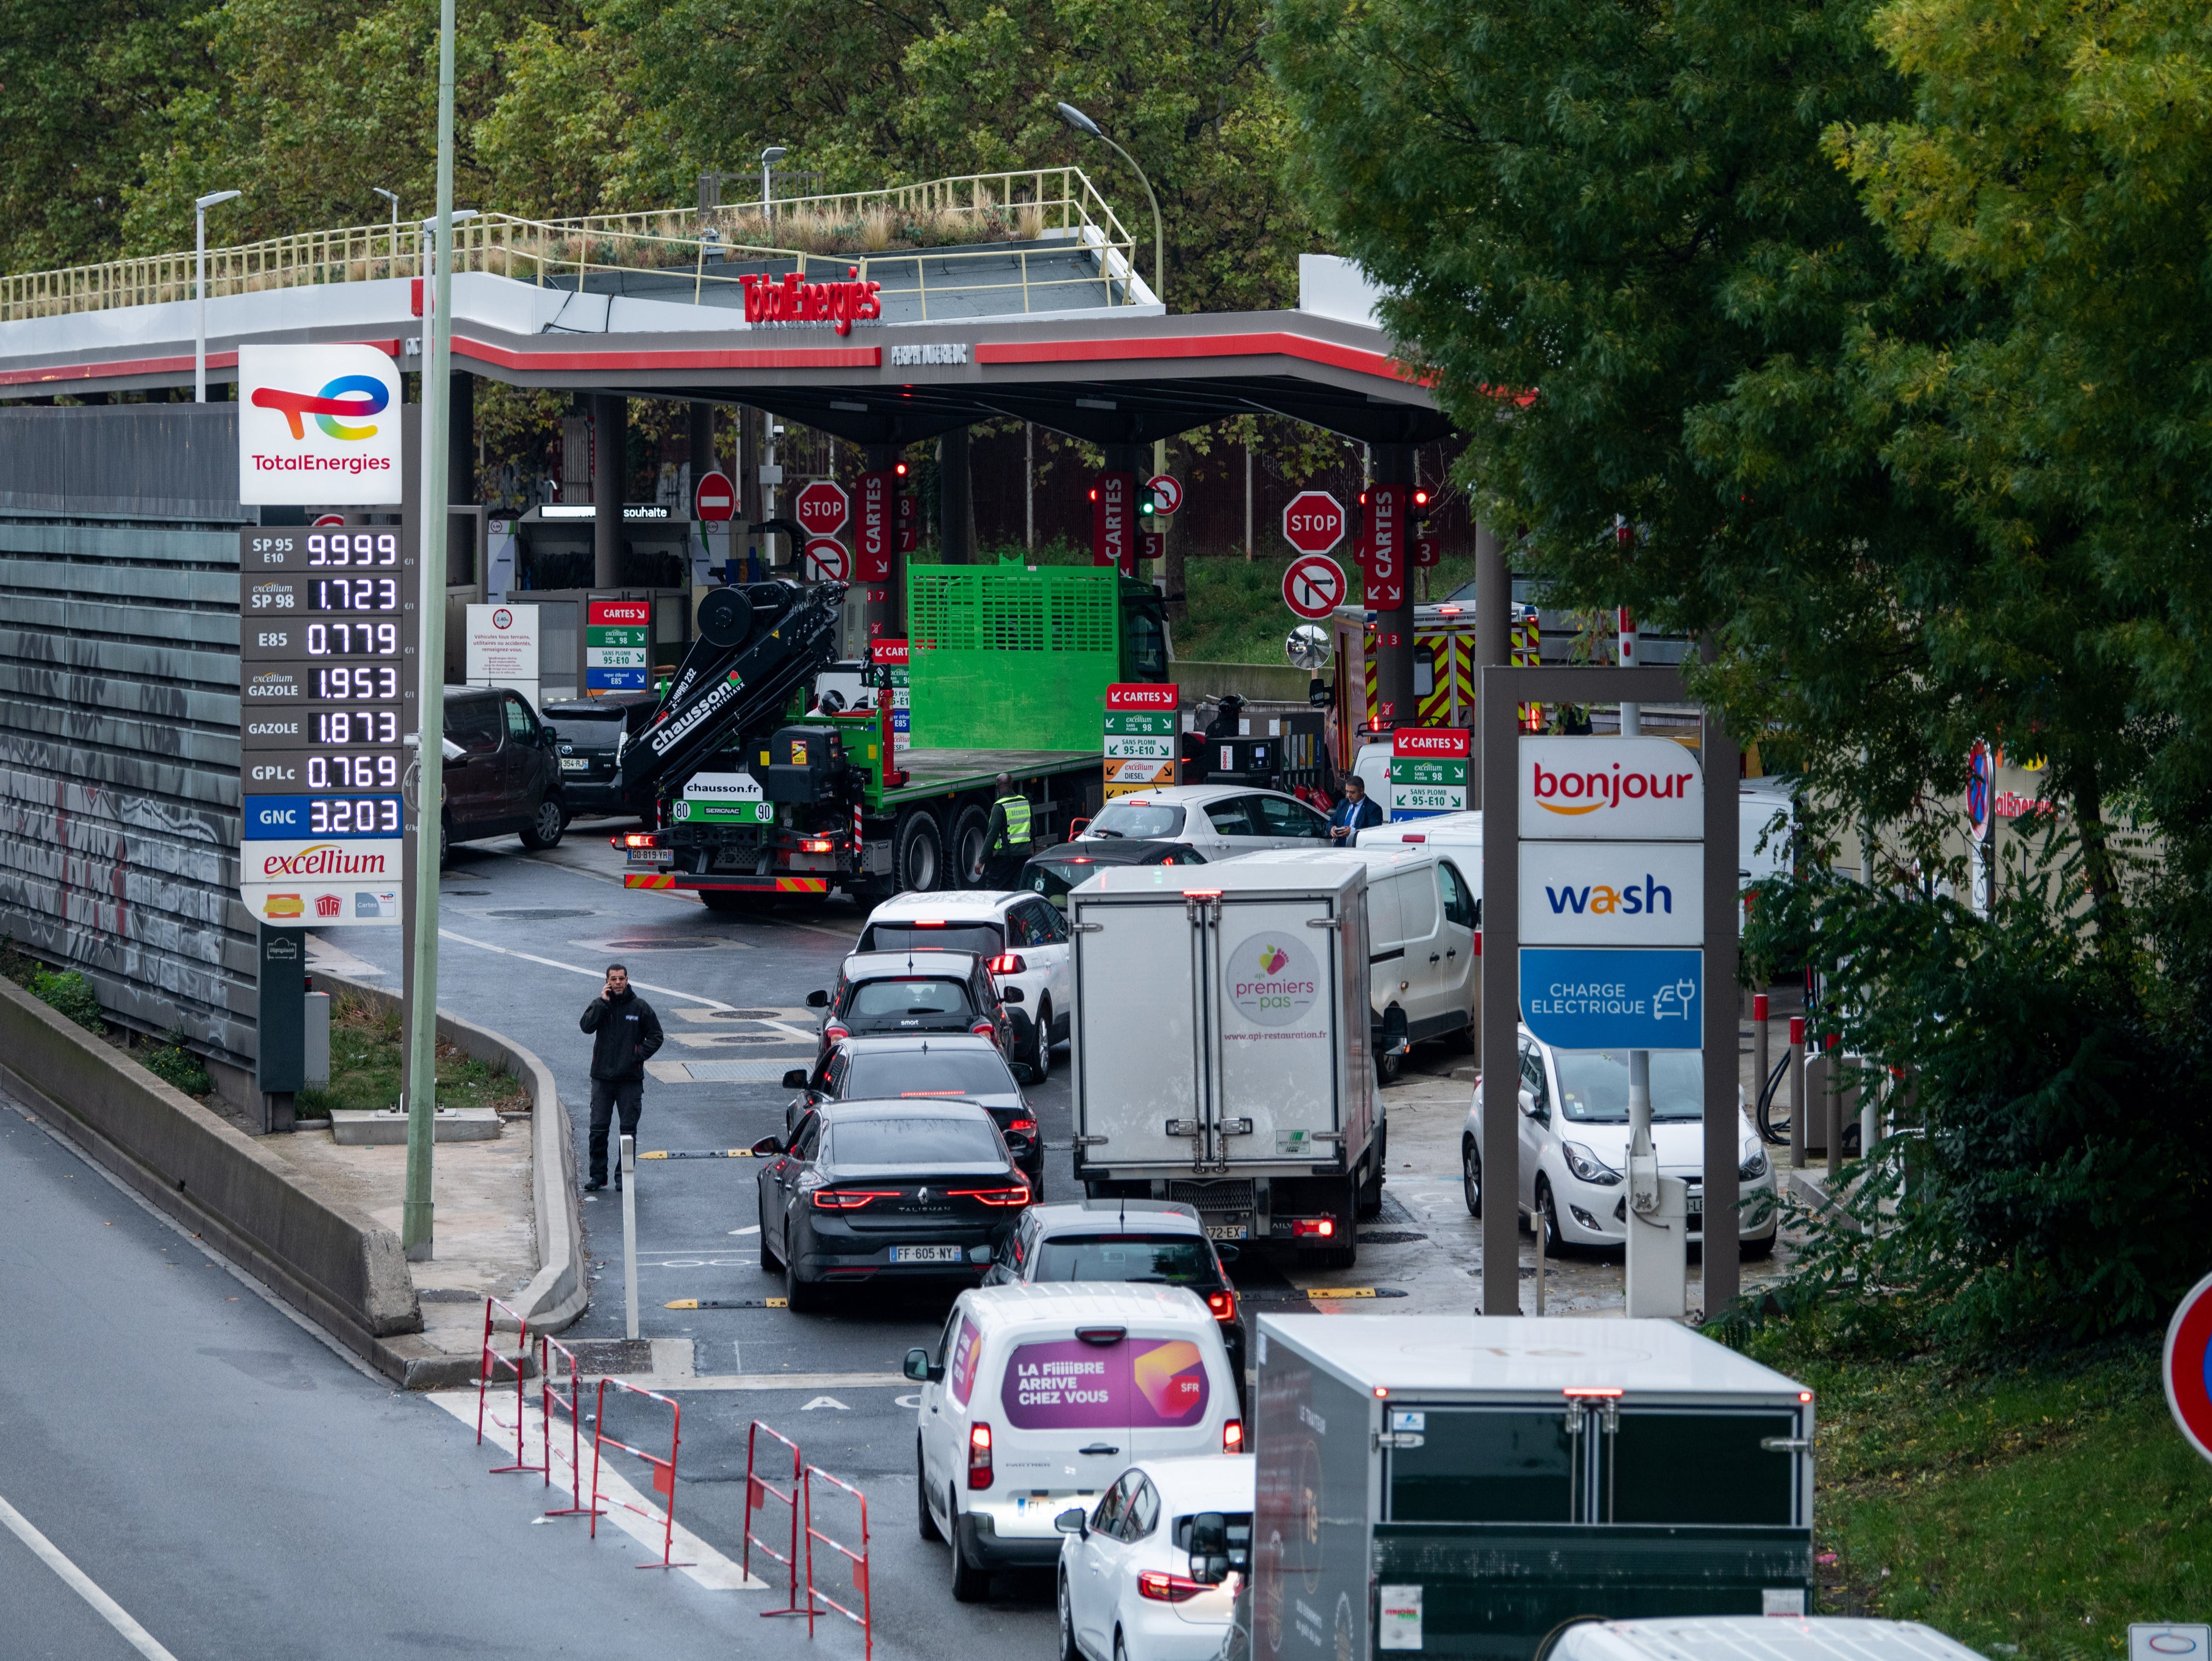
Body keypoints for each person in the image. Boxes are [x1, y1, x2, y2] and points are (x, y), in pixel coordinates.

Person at [580, 963, 663, 1192]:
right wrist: (601, 1004)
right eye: (613, 979)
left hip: (630, 1080)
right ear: (607, 981)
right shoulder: (600, 1005)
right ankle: (598, 1176)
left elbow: (657, 1036)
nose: (617, 983)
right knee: (598, 1129)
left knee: (627, 1131)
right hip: (602, 1079)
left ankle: (623, 1177)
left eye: (621, 979)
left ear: (627, 980)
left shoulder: (639, 1008)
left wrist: (638, 1055)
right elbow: (586, 1027)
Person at [969, 773, 1036, 888]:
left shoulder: (999, 807)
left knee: (993, 890)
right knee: (1018, 890)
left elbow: (991, 836)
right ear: (1012, 784)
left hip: (1006, 858)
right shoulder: (1025, 803)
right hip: (1024, 856)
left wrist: (981, 861)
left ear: (997, 787)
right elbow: (1034, 830)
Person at [1327, 773, 1384, 842]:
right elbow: (1331, 822)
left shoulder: (1373, 809)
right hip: (1340, 849)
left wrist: (1353, 832)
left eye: (1352, 792)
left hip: (1358, 850)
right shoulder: (1343, 803)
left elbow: (1373, 832)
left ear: (1362, 791)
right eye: (1347, 791)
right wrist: (1332, 828)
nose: (1348, 795)